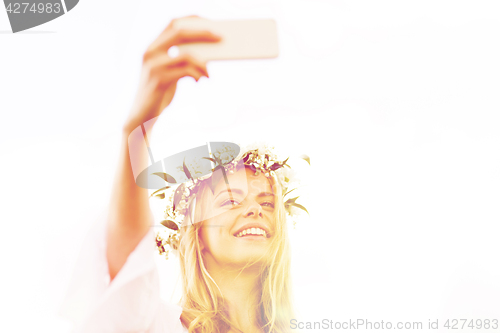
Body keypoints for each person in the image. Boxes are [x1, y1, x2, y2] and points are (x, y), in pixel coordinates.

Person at [60, 15, 304, 333]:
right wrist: (136, 131)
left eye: (268, 202)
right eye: (231, 200)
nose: (255, 209)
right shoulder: (160, 325)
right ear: (197, 235)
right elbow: (128, 272)